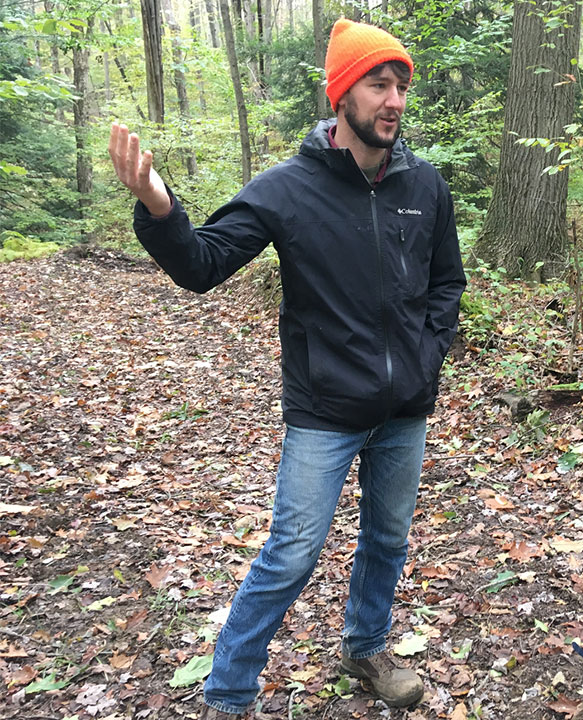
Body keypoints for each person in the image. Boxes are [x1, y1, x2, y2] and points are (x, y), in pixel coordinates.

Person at [107, 19, 466, 720]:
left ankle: (365, 648)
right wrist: (159, 205)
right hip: (326, 409)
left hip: (405, 409)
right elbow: (202, 265)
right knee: (294, 550)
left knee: (388, 538)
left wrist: (429, 352)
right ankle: (230, 692)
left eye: (401, 86)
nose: (394, 100)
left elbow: (446, 282)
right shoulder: (286, 189)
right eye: (378, 84)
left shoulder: (426, 184)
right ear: (342, 93)